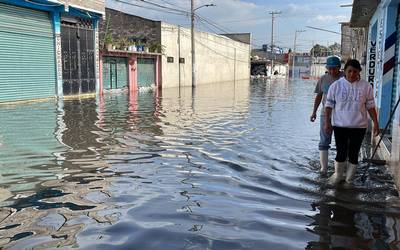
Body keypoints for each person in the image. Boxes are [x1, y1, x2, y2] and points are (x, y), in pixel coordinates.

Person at [324, 59, 379, 185]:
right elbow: (328, 105)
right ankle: (338, 175)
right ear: (345, 71)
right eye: (349, 71)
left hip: (359, 126)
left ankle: (349, 180)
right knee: (341, 152)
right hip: (340, 125)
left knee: (354, 153)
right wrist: (327, 122)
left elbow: (370, 106)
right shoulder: (336, 86)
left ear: (359, 71)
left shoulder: (366, 86)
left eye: (355, 71)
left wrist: (376, 123)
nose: (352, 74)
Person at [311, 56, 344, 174]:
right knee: (324, 141)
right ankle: (323, 168)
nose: (332, 71)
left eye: (334, 69)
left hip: (342, 115)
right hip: (325, 114)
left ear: (339, 68)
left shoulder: (346, 77)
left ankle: (339, 170)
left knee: (342, 142)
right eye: (329, 69)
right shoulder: (323, 79)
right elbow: (319, 96)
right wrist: (314, 112)